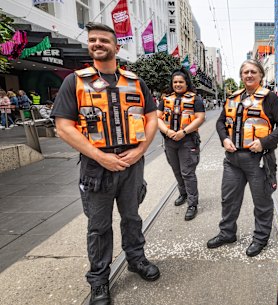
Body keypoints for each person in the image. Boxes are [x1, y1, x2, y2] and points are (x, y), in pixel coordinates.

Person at [51, 22, 159, 305]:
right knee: (98, 227)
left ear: (116, 47)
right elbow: (63, 127)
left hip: (132, 162)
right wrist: (100, 156)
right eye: (93, 40)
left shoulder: (136, 82)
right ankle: (99, 280)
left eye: (103, 40)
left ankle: (136, 260)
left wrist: (139, 151)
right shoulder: (74, 82)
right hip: (96, 166)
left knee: (132, 217)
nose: (97, 44)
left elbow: (151, 119)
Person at [208, 59, 278, 257]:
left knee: (262, 202)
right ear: (241, 76)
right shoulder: (233, 97)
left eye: (253, 71)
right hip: (232, 160)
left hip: (259, 160)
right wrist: (224, 139)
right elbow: (220, 123)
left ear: (261, 75)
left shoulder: (269, 98)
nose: (249, 75)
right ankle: (227, 233)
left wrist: (264, 142)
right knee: (229, 199)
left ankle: (260, 238)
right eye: (245, 72)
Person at [156, 68, 205, 220]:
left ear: (186, 83)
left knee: (187, 172)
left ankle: (192, 204)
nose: (177, 84)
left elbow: (200, 118)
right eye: (175, 82)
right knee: (177, 171)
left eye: (181, 82)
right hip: (170, 140)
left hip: (188, 140)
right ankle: (183, 193)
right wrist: (167, 131)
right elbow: (157, 118)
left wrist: (183, 132)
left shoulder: (195, 99)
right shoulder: (165, 99)